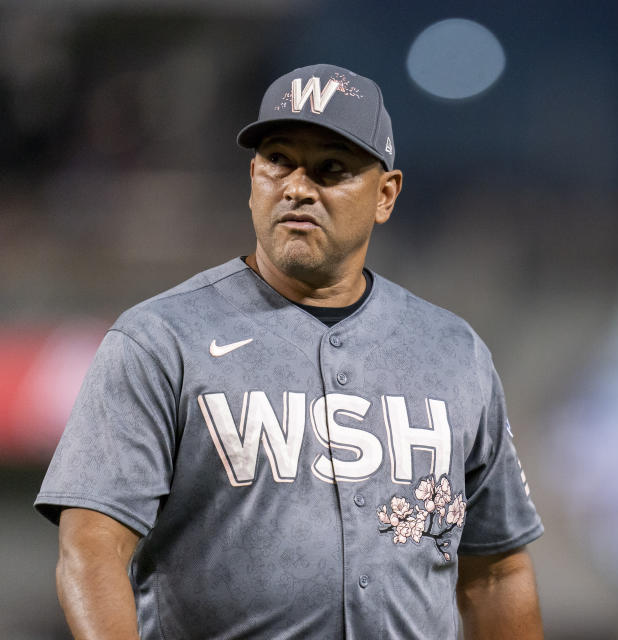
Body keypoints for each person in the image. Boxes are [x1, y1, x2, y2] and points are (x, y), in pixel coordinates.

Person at [35, 63, 544, 639]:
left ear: (386, 194)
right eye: (278, 161)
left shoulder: (455, 352)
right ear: (253, 177)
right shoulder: (159, 339)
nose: (298, 187)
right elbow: (92, 547)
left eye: (331, 168)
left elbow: (496, 572)